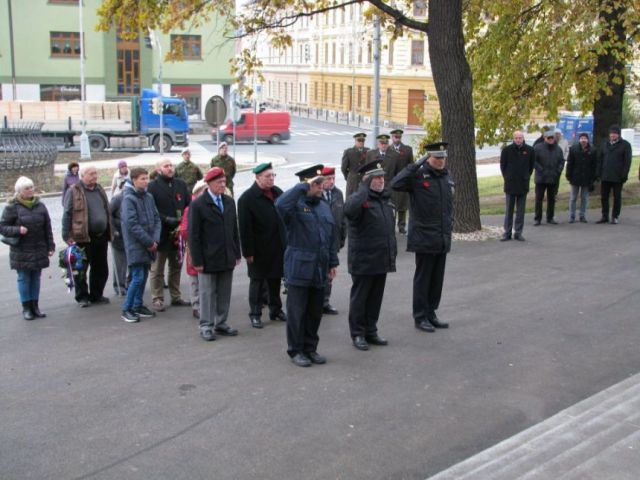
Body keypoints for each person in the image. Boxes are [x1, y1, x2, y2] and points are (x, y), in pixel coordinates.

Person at [276, 164, 338, 367]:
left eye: (322, 182)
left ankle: (310, 348)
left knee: (314, 312)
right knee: (297, 312)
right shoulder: (294, 205)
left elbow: (330, 237)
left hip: (320, 268)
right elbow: (280, 205)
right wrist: (302, 187)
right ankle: (296, 350)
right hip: (299, 267)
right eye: (317, 183)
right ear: (306, 184)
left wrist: (332, 262)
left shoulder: (323, 205)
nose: (322, 186)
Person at [391, 142, 453, 332]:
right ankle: (420, 316)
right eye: (437, 158)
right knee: (423, 279)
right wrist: (415, 165)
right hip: (424, 236)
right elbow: (395, 183)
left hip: (441, 236)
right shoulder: (418, 175)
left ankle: (431, 312)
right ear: (428, 158)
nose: (441, 161)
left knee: (437, 279)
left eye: (443, 158)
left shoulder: (445, 176)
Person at [344, 161, 397, 351]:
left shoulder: (383, 199)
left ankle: (371, 330)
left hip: (381, 258)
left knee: (375, 297)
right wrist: (363, 189)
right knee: (361, 298)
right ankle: (358, 333)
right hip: (363, 259)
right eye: (377, 177)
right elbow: (348, 211)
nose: (381, 180)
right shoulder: (359, 198)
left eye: (383, 176)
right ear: (367, 180)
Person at [188, 167, 241, 341]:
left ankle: (221, 322)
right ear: (209, 184)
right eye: (219, 182)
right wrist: (197, 260)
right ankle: (206, 325)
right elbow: (193, 236)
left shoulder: (228, 202)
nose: (222, 185)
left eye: (224, 182)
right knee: (207, 293)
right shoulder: (198, 205)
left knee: (224, 292)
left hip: (227, 255)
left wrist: (236, 252)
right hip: (208, 258)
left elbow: (234, 229)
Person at [238, 163, 287, 329]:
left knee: (275, 280)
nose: (271, 179)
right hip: (258, 249)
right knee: (257, 282)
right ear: (257, 178)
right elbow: (244, 229)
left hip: (277, 246)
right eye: (268, 176)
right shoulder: (247, 199)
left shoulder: (278, 193)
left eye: (273, 175)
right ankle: (255, 313)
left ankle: (276, 310)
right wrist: (248, 252)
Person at [0, 176, 55, 320]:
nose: (31, 190)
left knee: (36, 277)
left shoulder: (40, 206)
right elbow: (3, 227)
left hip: (39, 247)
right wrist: (17, 230)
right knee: (24, 278)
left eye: (31, 187)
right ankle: (26, 308)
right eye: (27, 188)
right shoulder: (12, 207)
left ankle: (35, 306)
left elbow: (47, 228)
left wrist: (51, 246)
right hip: (21, 250)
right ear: (19, 191)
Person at [62, 165, 112, 307]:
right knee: (81, 269)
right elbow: (67, 214)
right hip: (82, 237)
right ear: (82, 176)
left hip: (100, 236)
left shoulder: (99, 189)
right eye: (91, 174)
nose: (94, 176)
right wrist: (66, 235)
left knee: (101, 268)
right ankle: (82, 297)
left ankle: (96, 295)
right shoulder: (74, 191)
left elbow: (106, 209)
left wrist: (110, 229)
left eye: (95, 173)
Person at [147, 158, 190, 311]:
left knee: (176, 266)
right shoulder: (152, 187)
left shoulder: (181, 184)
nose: (170, 168)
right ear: (158, 169)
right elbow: (151, 211)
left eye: (171, 165)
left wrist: (184, 221)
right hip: (161, 234)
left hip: (178, 234)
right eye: (166, 166)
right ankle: (157, 298)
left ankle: (176, 296)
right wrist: (166, 219)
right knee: (157, 269)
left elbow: (188, 205)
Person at [120, 168, 161, 323]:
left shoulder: (148, 197)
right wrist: (149, 242)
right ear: (134, 180)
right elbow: (132, 224)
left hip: (149, 244)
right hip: (137, 245)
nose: (146, 181)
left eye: (147, 178)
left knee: (143, 277)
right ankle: (126, 308)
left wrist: (155, 240)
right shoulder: (128, 199)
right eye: (142, 179)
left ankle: (138, 305)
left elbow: (156, 219)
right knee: (137, 277)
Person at [178, 180, 208, 320]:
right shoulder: (190, 209)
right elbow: (184, 230)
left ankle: (207, 304)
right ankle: (196, 305)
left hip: (209, 248)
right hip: (195, 247)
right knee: (195, 278)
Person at [500, 130, 535, 241]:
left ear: (523, 138)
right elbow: (503, 166)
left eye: (520, 137)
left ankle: (518, 232)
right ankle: (507, 232)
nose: (518, 140)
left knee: (520, 211)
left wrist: (525, 176)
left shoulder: (530, 150)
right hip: (510, 184)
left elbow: (531, 167)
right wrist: (508, 177)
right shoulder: (507, 150)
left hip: (523, 184)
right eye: (516, 138)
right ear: (513, 138)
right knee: (509, 210)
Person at [320, 166, 346, 315]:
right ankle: (316, 303)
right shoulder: (316, 194)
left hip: (333, 241)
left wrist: (342, 238)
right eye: (328, 179)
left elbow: (342, 218)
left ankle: (325, 302)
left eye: (333, 178)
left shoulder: (338, 193)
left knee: (330, 273)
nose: (331, 181)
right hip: (320, 242)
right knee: (319, 273)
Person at [596, 125, 632, 224]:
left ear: (618, 134)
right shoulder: (605, 144)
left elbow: (627, 161)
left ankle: (615, 216)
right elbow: (600, 159)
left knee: (617, 197)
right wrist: (598, 173)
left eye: (614, 133)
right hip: (606, 175)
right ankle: (604, 216)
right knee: (604, 197)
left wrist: (624, 174)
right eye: (611, 133)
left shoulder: (625, 145)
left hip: (618, 176)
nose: (612, 135)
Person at [533, 130, 565, 225]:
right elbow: (534, 161)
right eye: (549, 138)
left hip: (553, 177)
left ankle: (550, 217)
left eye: (552, 138)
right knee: (539, 199)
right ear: (545, 138)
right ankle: (538, 218)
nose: (551, 139)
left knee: (552, 199)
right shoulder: (538, 148)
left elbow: (561, 161)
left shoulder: (558, 149)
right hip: (541, 178)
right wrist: (541, 169)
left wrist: (558, 171)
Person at [566, 132, 597, 223]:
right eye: (582, 138)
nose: (583, 140)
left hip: (587, 178)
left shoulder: (593, 150)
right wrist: (568, 175)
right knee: (573, 198)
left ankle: (582, 215)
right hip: (575, 177)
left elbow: (594, 165)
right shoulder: (573, 149)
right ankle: (572, 216)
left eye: (585, 138)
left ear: (588, 139)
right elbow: (570, 163)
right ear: (579, 139)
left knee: (584, 198)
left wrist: (593, 177)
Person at [389, 129, 414, 234]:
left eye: (399, 137)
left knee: (402, 205)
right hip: (391, 181)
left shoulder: (407, 150)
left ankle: (402, 226)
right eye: (395, 137)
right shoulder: (388, 149)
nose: (397, 139)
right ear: (392, 137)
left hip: (403, 181)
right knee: (391, 205)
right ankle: (390, 225)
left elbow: (410, 165)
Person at [109, 185, 128, 296]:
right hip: (119, 235)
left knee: (129, 261)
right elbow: (108, 214)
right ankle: (119, 285)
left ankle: (127, 283)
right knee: (120, 261)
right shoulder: (117, 199)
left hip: (130, 234)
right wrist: (115, 229)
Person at [341, 133, 370, 197]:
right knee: (351, 200)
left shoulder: (368, 151)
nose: (361, 142)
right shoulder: (348, 152)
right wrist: (349, 177)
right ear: (355, 141)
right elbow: (343, 168)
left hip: (364, 180)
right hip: (352, 182)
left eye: (363, 141)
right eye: (359, 140)